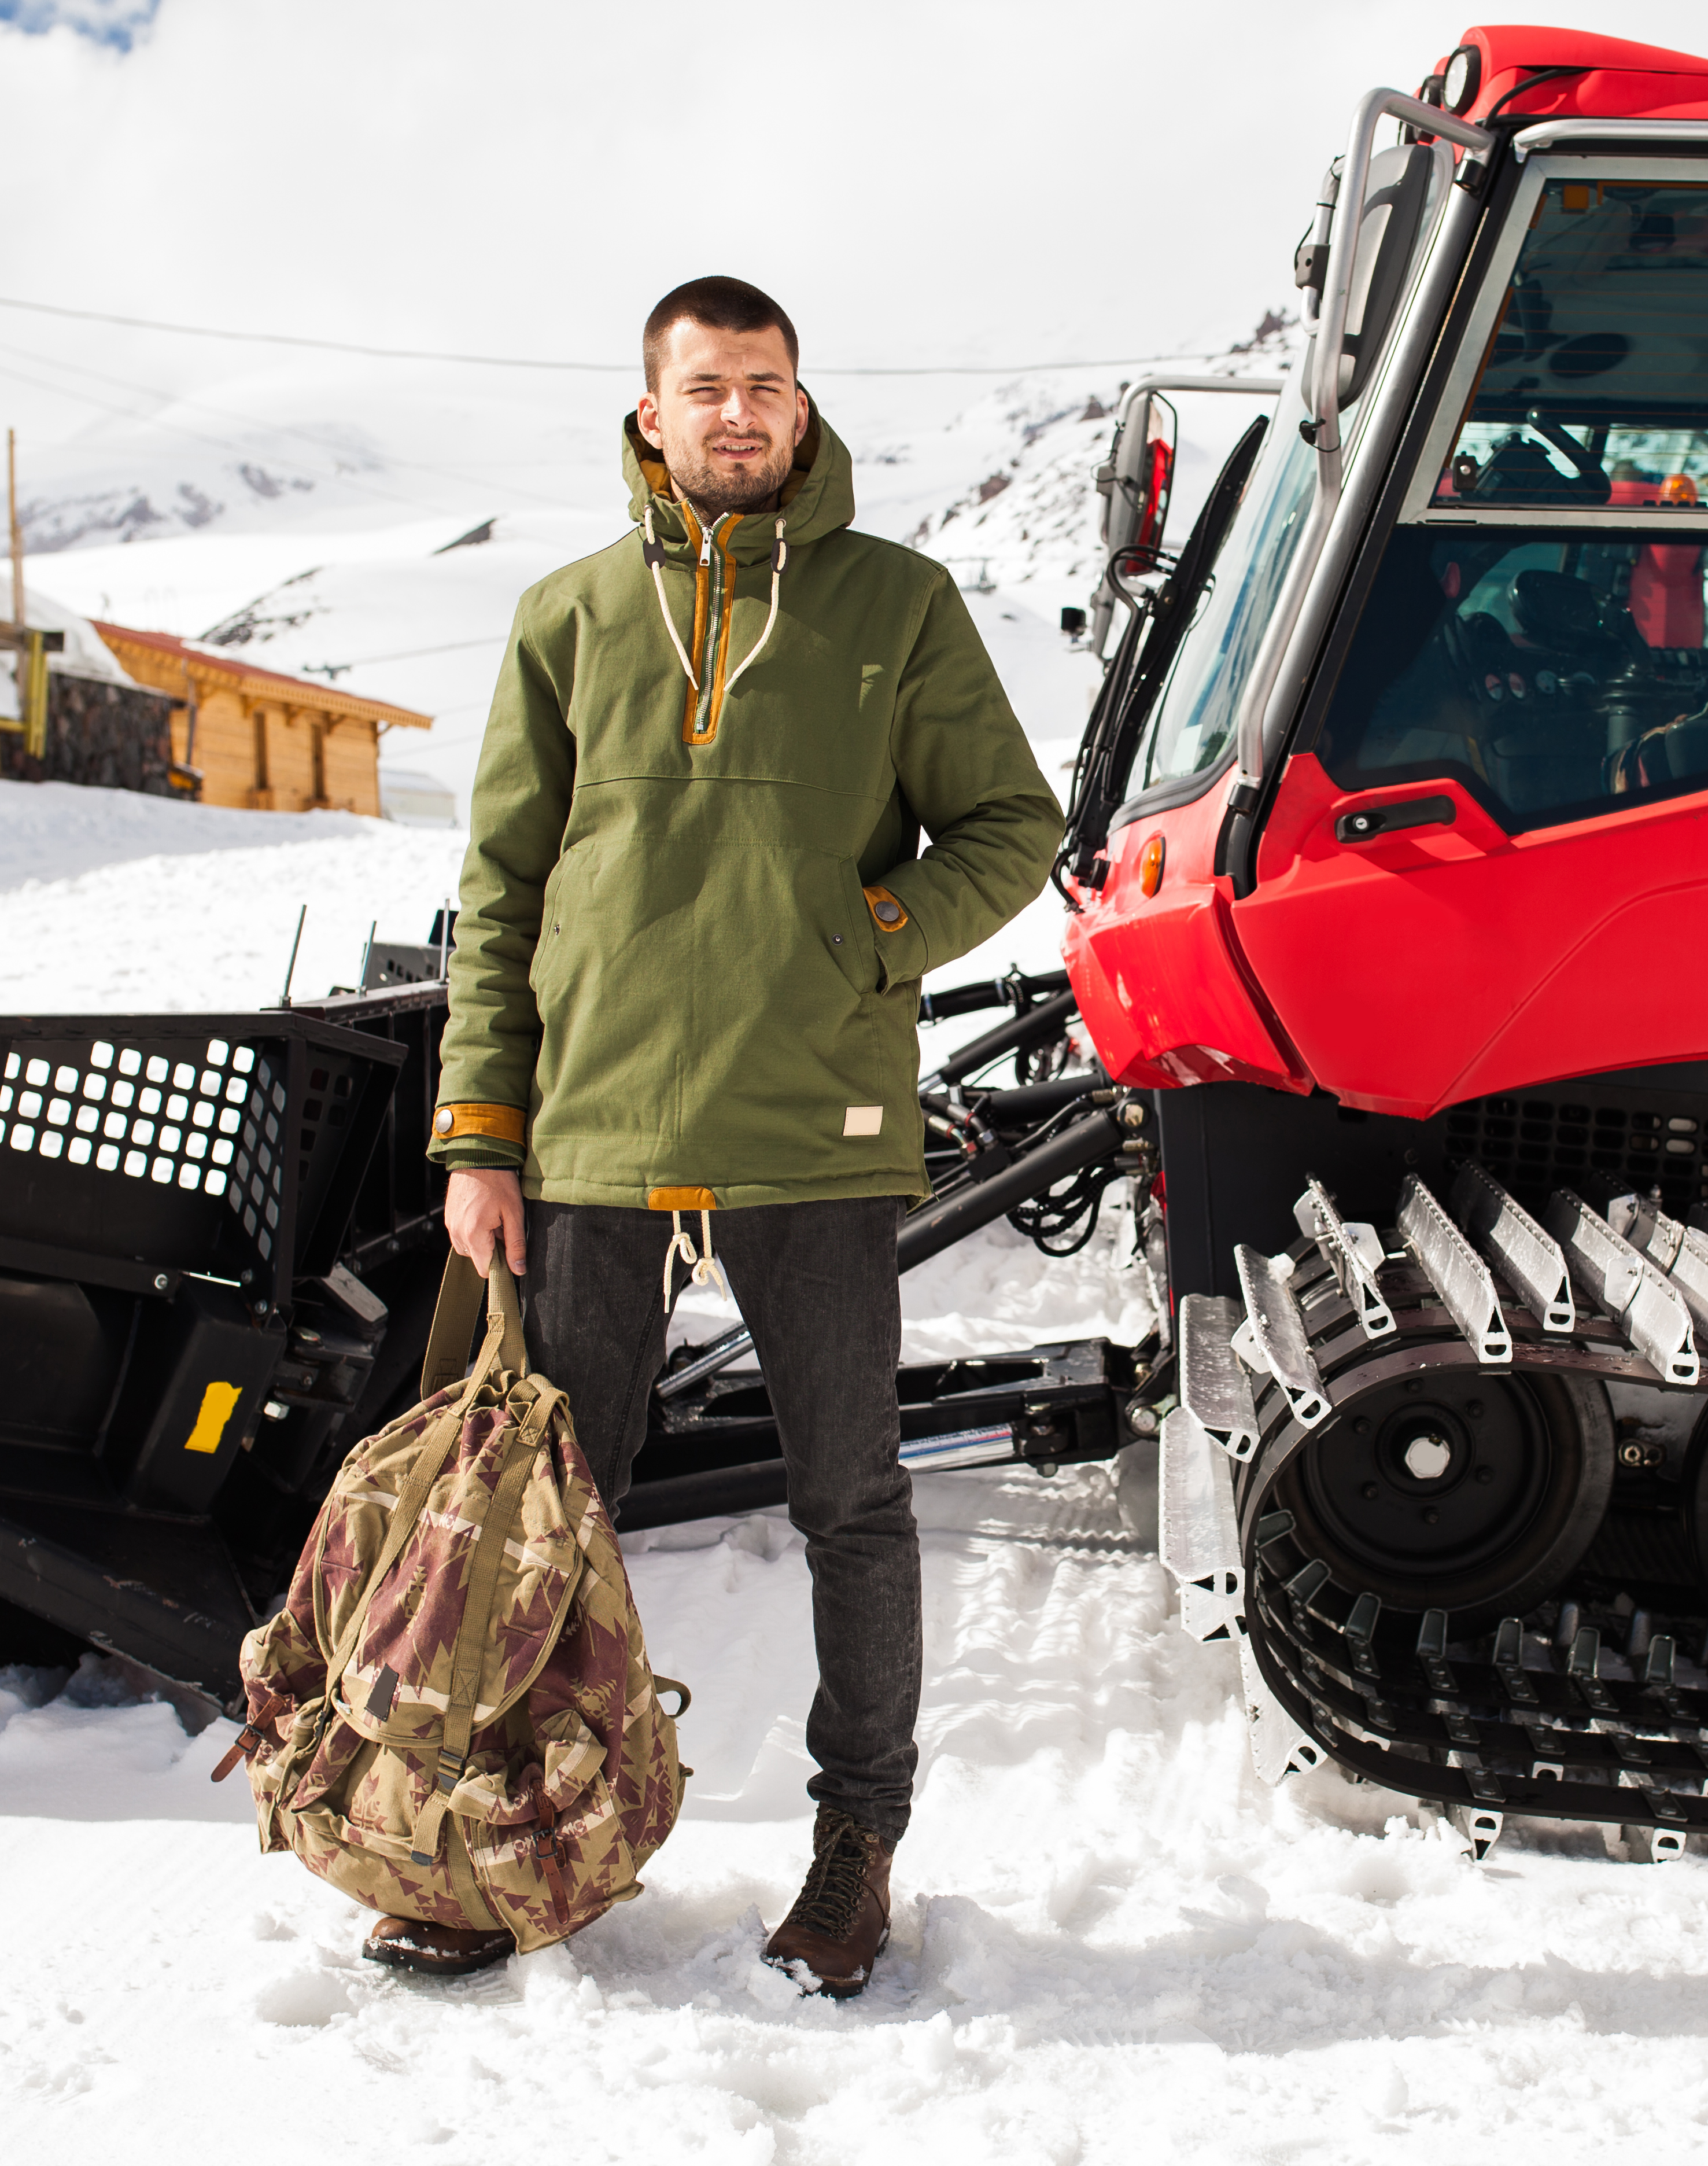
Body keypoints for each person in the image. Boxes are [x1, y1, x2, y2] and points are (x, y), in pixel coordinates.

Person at [422, 275, 1061, 1995]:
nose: (736, 414)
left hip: (817, 1131)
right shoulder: (567, 617)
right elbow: (494, 891)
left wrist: (867, 941)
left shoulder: (894, 605)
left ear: (800, 403)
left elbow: (1013, 826)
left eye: (764, 385)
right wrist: (482, 1131)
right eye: (704, 387)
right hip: (595, 1135)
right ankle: (520, 1837)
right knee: (556, 1511)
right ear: (651, 412)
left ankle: (855, 1845)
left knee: (853, 1500)